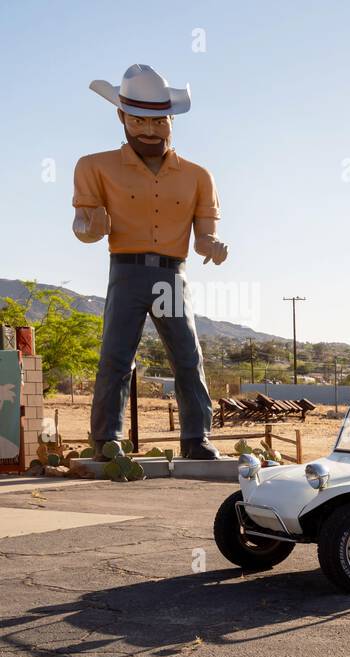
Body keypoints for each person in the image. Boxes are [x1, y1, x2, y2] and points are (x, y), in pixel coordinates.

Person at [72, 64, 227, 460]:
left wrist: (211, 244)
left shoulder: (198, 175)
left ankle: (197, 438)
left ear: (171, 119)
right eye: (138, 119)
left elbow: (204, 232)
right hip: (126, 270)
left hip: (172, 276)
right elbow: (81, 225)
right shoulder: (94, 166)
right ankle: (107, 439)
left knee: (188, 357)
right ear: (121, 117)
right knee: (116, 356)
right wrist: (93, 226)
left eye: (158, 120)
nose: (149, 129)